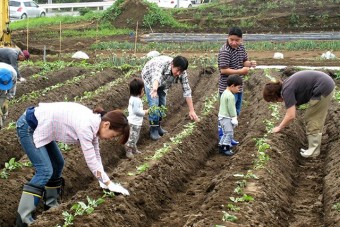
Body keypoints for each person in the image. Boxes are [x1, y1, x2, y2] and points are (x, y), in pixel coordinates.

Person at [15, 102, 130, 226]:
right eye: (113, 135)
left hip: (43, 128)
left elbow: (96, 155)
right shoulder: (86, 126)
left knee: (58, 163)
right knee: (45, 170)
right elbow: (91, 160)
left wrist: (103, 181)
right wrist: (108, 183)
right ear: (107, 125)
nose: (110, 139)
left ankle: (51, 205)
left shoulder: (95, 125)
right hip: (29, 126)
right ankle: (23, 219)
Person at [263, 70, 335, 158]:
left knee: (312, 118)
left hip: (323, 88)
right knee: (311, 117)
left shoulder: (286, 91)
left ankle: (314, 151)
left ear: (275, 96)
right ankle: (313, 148)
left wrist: (279, 127)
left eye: (274, 100)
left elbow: (291, 115)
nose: (277, 102)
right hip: (324, 84)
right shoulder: (286, 85)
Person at [141, 55, 199, 140]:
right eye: (178, 70)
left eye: (181, 71)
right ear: (172, 65)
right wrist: (154, 89)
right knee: (154, 104)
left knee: (162, 104)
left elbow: (187, 90)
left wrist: (192, 110)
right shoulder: (161, 65)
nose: (179, 73)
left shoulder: (182, 72)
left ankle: (158, 126)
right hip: (150, 78)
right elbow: (156, 78)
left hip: (164, 83)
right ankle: (153, 129)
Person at [218, 26, 257, 116]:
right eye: (231, 39)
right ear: (227, 37)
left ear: (241, 39)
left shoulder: (241, 47)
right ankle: (225, 130)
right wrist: (240, 71)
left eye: (237, 40)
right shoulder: (225, 51)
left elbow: (244, 62)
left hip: (238, 87)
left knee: (236, 112)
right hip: (228, 88)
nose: (234, 43)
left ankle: (231, 129)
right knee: (228, 113)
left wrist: (250, 63)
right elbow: (223, 70)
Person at [218, 75, 242, 156]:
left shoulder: (224, 92)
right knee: (229, 133)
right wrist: (234, 118)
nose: (239, 90)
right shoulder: (231, 96)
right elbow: (231, 108)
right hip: (226, 117)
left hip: (221, 117)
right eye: (238, 87)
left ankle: (221, 145)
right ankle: (226, 148)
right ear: (232, 86)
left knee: (225, 133)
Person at [125, 78, 149, 159]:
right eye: (143, 89)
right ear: (140, 90)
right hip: (134, 123)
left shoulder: (132, 98)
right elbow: (136, 111)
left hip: (134, 122)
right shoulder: (137, 100)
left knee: (135, 136)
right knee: (132, 137)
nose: (144, 91)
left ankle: (134, 149)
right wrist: (145, 112)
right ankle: (129, 151)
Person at [0, 64, 17, 129]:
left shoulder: (13, 75)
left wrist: (7, 100)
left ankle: (2, 126)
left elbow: (12, 90)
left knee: (3, 107)